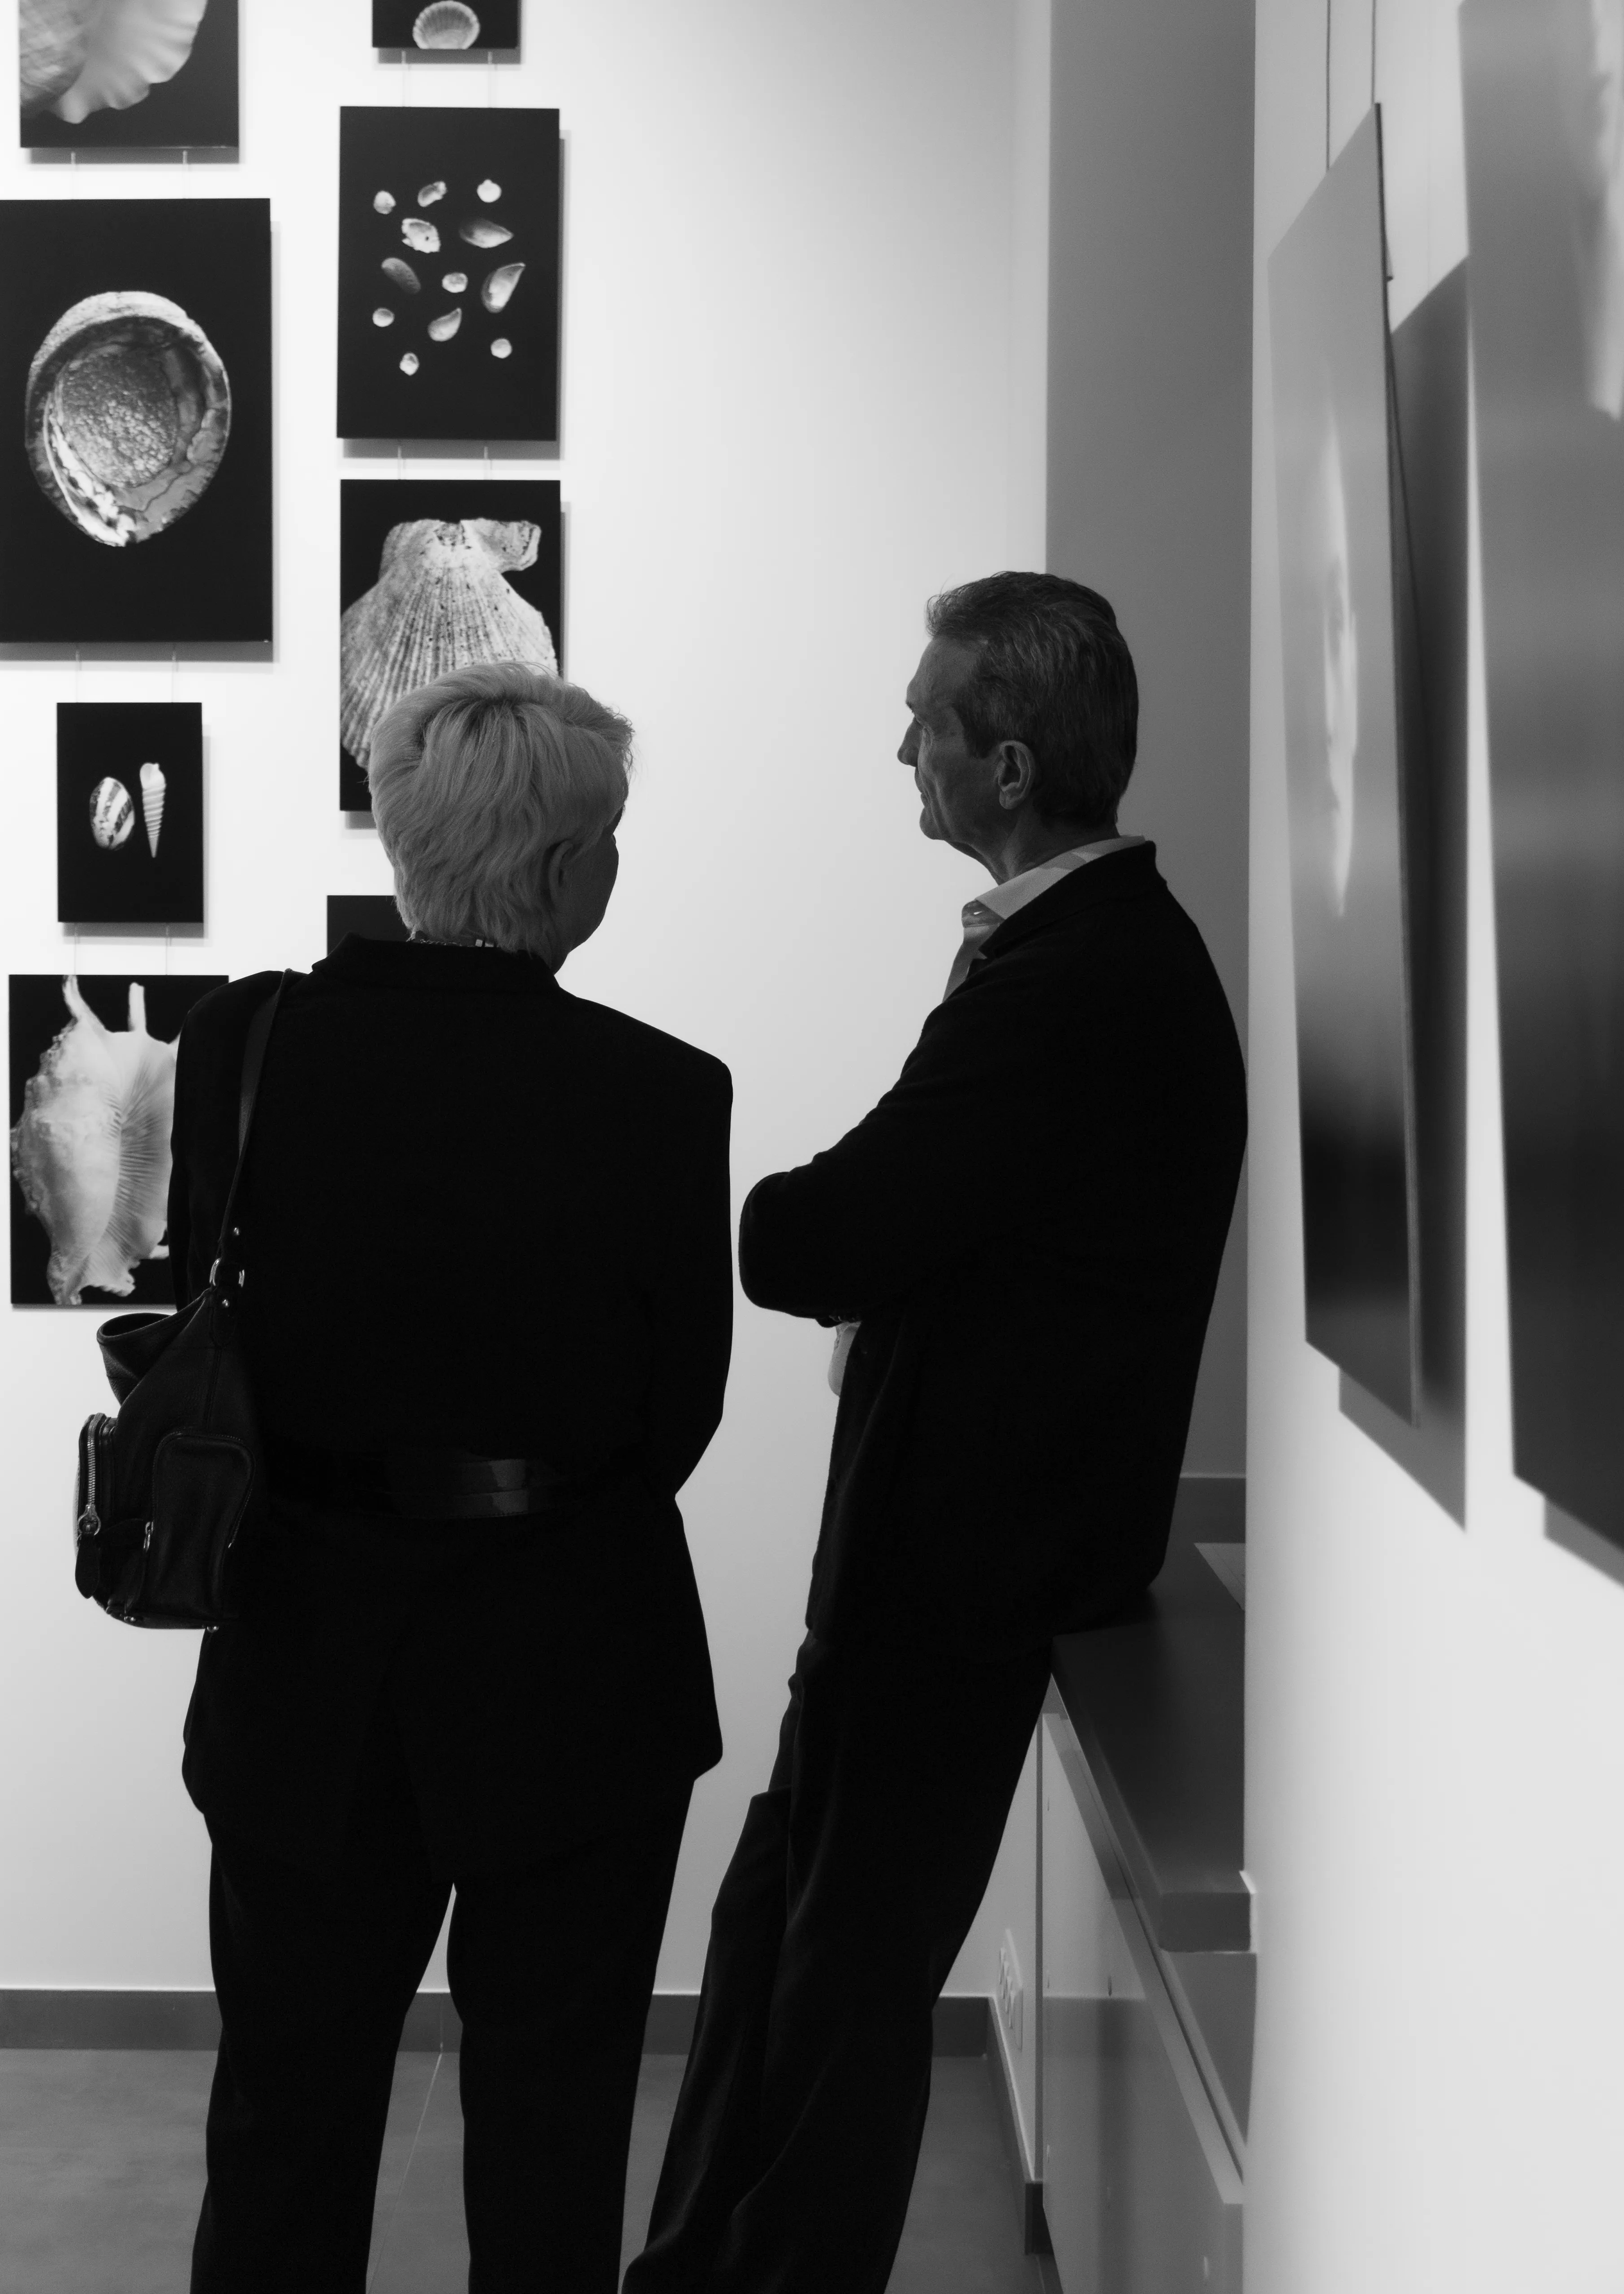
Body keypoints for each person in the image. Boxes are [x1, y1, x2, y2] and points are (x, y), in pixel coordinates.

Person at [625, 572, 1247, 2294]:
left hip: (964, 1569)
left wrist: (685, 1190)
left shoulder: (1073, 984)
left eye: (930, 715)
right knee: (786, 1938)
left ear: (1012, 765)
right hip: (939, 1560)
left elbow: (838, 1232)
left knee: (839, 1982)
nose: (903, 739)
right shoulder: (1082, 959)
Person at [166, 664, 733, 2293]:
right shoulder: (657, 1094)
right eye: (609, 839)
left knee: (285, 2119)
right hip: (573, 1665)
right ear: (561, 873)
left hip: (305, 1660)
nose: (614, 867)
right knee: (552, 2142)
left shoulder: (242, 1046)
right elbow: (674, 1415)